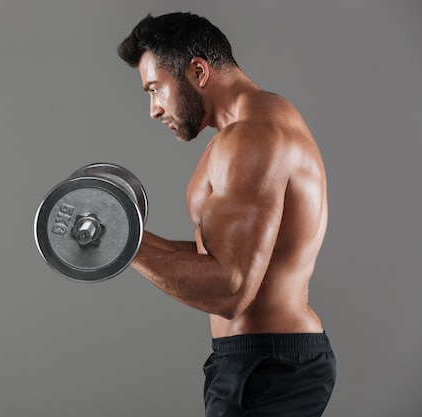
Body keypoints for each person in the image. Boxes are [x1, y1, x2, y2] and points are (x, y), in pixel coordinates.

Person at [118, 12, 336, 417]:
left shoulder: (253, 138)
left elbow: (231, 290)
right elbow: (216, 258)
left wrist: (118, 241)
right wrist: (127, 233)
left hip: (270, 367)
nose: (153, 109)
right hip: (249, 361)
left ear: (198, 70)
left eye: (155, 89)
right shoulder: (248, 128)